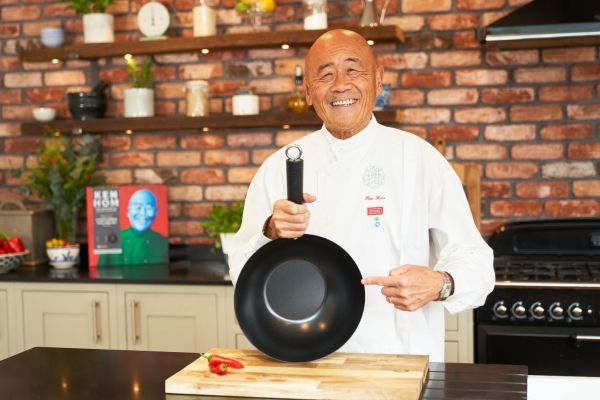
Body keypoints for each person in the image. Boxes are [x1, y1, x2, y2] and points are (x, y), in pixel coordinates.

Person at [228, 29, 495, 362]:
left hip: (402, 362)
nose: (340, 85)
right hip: (309, 364)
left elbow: (477, 263)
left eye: (353, 70)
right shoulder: (279, 166)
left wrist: (441, 283)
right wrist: (270, 231)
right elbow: (241, 271)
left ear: (378, 80)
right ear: (308, 92)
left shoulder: (419, 159)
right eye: (325, 75)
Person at [98, 188, 168, 266]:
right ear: (128, 212)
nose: (142, 213)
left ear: (156, 213)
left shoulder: (163, 243)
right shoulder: (112, 240)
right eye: (138, 207)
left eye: (148, 208)